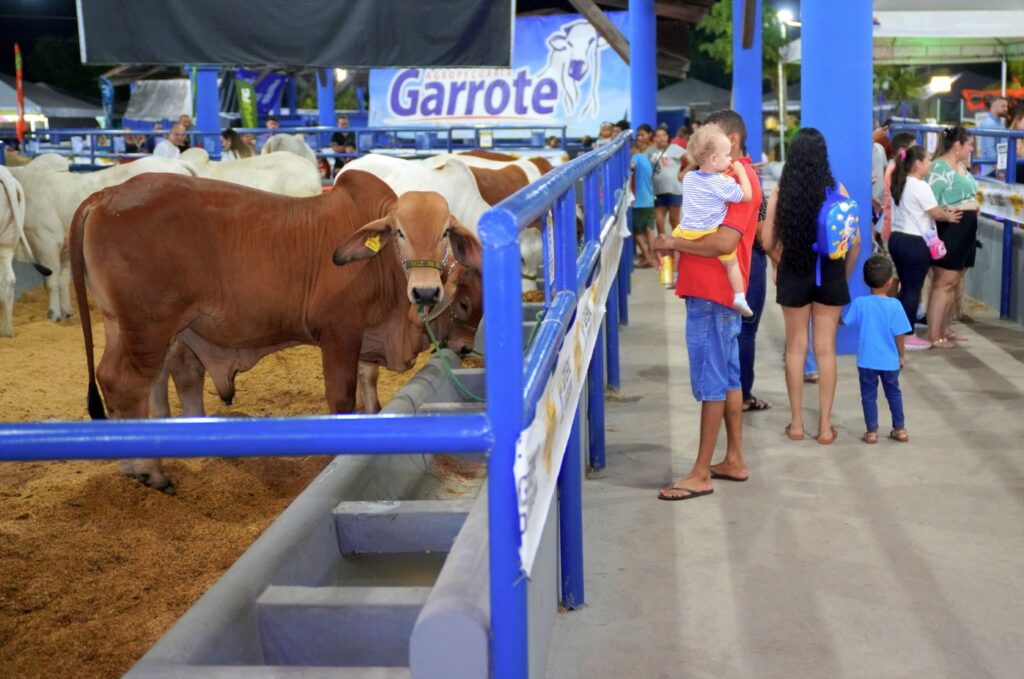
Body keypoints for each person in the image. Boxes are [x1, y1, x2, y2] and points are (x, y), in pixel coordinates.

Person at [649, 109, 761, 500]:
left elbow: (724, 243)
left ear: (730, 140)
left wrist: (673, 242)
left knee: (711, 379)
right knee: (728, 378)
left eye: (709, 137)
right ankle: (734, 458)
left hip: (714, 294)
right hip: (711, 292)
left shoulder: (737, 180)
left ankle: (700, 473)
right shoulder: (718, 177)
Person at [762, 127, 859, 445]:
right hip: (829, 273)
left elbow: (766, 241)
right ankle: (826, 428)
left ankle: (796, 425)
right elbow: (856, 240)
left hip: (794, 272)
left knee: (795, 348)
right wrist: (843, 276)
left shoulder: (781, 192)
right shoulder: (837, 189)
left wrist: (778, 262)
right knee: (826, 350)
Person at [887, 144, 962, 352]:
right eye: (928, 159)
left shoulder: (900, 182)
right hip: (914, 243)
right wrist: (949, 216)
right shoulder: (920, 186)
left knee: (906, 288)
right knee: (913, 290)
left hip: (897, 239)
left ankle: (899, 329)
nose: (930, 163)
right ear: (918, 163)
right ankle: (907, 334)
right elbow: (935, 213)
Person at [675, 124, 755, 316]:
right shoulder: (722, 183)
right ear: (713, 158)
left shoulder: (689, 178)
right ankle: (739, 297)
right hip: (708, 232)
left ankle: (675, 275)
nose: (730, 159)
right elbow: (747, 196)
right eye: (727, 155)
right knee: (731, 263)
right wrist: (742, 173)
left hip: (686, 231)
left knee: (675, 243)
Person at [842, 255, 911, 444]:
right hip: (889, 361)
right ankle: (900, 429)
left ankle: (872, 432)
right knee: (894, 394)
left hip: (866, 360)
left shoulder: (860, 303)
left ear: (866, 281)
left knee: (868, 396)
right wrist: (901, 356)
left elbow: (845, 321)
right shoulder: (895, 305)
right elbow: (899, 334)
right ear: (890, 281)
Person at [925, 125, 979, 348]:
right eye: (970, 145)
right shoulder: (939, 167)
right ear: (958, 145)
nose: (972, 149)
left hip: (965, 229)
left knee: (953, 281)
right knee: (943, 282)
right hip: (950, 229)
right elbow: (929, 200)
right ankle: (934, 334)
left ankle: (944, 328)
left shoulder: (961, 166)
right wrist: (946, 215)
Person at [738, 193, 772, 412]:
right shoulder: (753, 191)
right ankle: (743, 396)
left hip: (721, 259)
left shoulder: (713, 183)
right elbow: (761, 233)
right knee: (746, 331)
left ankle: (724, 393)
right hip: (750, 260)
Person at [646, 126, 685, 235]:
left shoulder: (674, 148)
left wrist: (683, 172)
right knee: (659, 221)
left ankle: (677, 243)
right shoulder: (650, 151)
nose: (661, 138)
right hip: (657, 191)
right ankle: (663, 244)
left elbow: (692, 160)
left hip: (674, 190)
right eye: (658, 136)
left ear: (668, 136)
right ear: (654, 138)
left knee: (674, 220)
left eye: (664, 135)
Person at [630, 138, 656, 268]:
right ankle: (652, 256)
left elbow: (631, 166)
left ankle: (647, 257)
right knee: (649, 230)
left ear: (633, 149)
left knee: (638, 233)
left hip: (639, 202)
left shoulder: (635, 157)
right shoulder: (645, 159)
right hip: (649, 201)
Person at [977, 97, 1008, 177]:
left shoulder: (999, 123)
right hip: (991, 170)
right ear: (994, 106)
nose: (1006, 109)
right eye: (1003, 106)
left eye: (1006, 106)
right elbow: (989, 149)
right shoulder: (989, 123)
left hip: (997, 169)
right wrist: (999, 169)